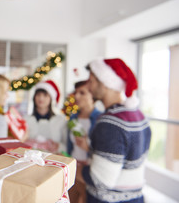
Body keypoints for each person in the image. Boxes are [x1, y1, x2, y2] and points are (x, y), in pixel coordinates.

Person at [77, 58, 152, 203]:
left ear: (104, 83)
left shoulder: (109, 123)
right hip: (135, 197)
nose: (88, 85)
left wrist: (70, 165)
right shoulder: (138, 115)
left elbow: (100, 180)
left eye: (91, 80)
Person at [67, 80, 102, 203]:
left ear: (93, 96)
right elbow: (69, 145)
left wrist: (88, 148)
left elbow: (105, 151)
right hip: (72, 167)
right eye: (76, 92)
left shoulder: (101, 119)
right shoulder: (73, 118)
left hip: (89, 170)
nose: (76, 96)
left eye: (82, 93)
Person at [24, 80, 67, 153]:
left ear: (51, 98)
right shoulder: (25, 120)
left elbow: (67, 145)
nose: (41, 98)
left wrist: (58, 146)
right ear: (34, 97)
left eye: (45, 95)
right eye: (38, 95)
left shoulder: (61, 120)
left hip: (55, 160)